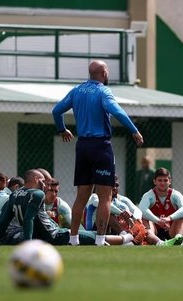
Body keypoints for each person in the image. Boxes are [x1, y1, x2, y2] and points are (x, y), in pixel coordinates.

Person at [52, 59, 144, 246]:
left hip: (82, 146)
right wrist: (134, 130)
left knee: (81, 196)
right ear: (104, 73)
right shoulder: (103, 91)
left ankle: (73, 239)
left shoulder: (77, 91)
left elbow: (56, 111)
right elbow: (116, 111)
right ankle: (101, 240)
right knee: (105, 197)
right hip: (101, 147)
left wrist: (62, 129)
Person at [0, 169, 134, 246]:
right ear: (36, 180)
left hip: (41, 235)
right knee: (92, 236)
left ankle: (125, 238)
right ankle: (127, 238)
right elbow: (29, 220)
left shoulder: (14, 194)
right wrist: (28, 245)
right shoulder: (36, 194)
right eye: (44, 181)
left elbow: (4, 220)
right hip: (53, 235)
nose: (46, 186)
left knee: (87, 236)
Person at [85, 176, 183, 246]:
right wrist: (122, 213)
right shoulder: (94, 197)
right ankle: (125, 237)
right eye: (111, 185)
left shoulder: (121, 200)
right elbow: (107, 206)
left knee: (141, 225)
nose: (114, 188)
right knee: (108, 213)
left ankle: (161, 243)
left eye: (117, 185)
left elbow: (138, 211)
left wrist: (132, 218)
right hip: (96, 233)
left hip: (116, 234)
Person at [138, 167, 183, 240]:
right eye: (160, 180)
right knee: (144, 217)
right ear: (154, 181)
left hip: (171, 231)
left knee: (182, 215)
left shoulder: (175, 195)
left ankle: (178, 238)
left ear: (170, 181)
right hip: (155, 231)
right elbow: (142, 209)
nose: (163, 183)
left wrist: (169, 218)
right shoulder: (149, 195)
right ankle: (152, 238)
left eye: (165, 180)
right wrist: (158, 221)